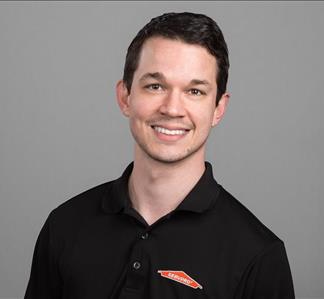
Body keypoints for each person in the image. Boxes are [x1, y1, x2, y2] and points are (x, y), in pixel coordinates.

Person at [24, 12, 295, 299]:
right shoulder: (65, 226)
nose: (172, 108)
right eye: (155, 86)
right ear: (125, 96)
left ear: (218, 108)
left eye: (194, 91)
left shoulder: (258, 255)